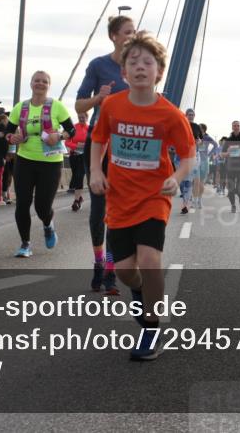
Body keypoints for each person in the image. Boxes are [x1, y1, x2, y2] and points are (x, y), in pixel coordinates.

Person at [89, 32, 195, 361]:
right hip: (119, 199)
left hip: (153, 198)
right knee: (123, 271)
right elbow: (98, 140)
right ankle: (138, 291)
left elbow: (188, 156)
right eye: (132, 62)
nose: (139, 67)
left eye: (147, 62)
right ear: (124, 72)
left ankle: (151, 327)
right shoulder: (112, 105)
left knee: (150, 261)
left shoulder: (170, 114)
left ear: (159, 72)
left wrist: (176, 178)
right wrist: (95, 171)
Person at [75, 14, 135, 293]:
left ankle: (111, 270)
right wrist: (98, 99)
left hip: (126, 147)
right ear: (114, 36)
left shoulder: (136, 67)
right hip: (98, 144)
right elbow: (78, 105)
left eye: (134, 31)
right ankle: (99, 262)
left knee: (117, 210)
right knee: (99, 208)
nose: (131, 36)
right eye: (127, 31)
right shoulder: (98, 65)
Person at [5, 71, 76, 258]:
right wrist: (12, 138)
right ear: (31, 84)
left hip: (50, 163)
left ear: (49, 85)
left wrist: (59, 136)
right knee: (22, 203)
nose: (40, 84)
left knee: (42, 206)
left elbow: (72, 131)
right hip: (25, 160)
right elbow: (8, 132)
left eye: (44, 81)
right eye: (37, 80)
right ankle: (25, 244)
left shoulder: (57, 106)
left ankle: (48, 225)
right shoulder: (20, 107)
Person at [222, 121, 240, 212]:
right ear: (232, 127)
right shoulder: (228, 140)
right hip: (230, 167)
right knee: (231, 188)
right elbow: (222, 154)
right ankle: (233, 205)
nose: (236, 127)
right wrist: (228, 153)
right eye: (234, 126)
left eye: (238, 125)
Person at [66, 112, 90, 211]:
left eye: (83, 117)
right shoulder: (73, 128)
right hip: (73, 156)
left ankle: (76, 201)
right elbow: (67, 142)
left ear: (87, 118)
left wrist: (86, 145)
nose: (81, 119)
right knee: (76, 176)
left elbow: (95, 142)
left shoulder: (89, 129)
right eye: (79, 117)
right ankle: (79, 197)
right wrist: (76, 146)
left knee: (80, 175)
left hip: (84, 156)